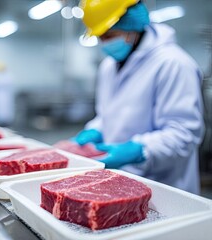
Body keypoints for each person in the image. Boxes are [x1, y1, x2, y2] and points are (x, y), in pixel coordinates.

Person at [74, 0, 204, 194]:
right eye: (100, 37)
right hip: (117, 182)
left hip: (165, 186)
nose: (104, 43)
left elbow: (183, 134)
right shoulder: (108, 66)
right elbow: (107, 115)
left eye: (109, 35)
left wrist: (140, 151)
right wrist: (94, 131)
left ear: (130, 23)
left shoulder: (174, 63)